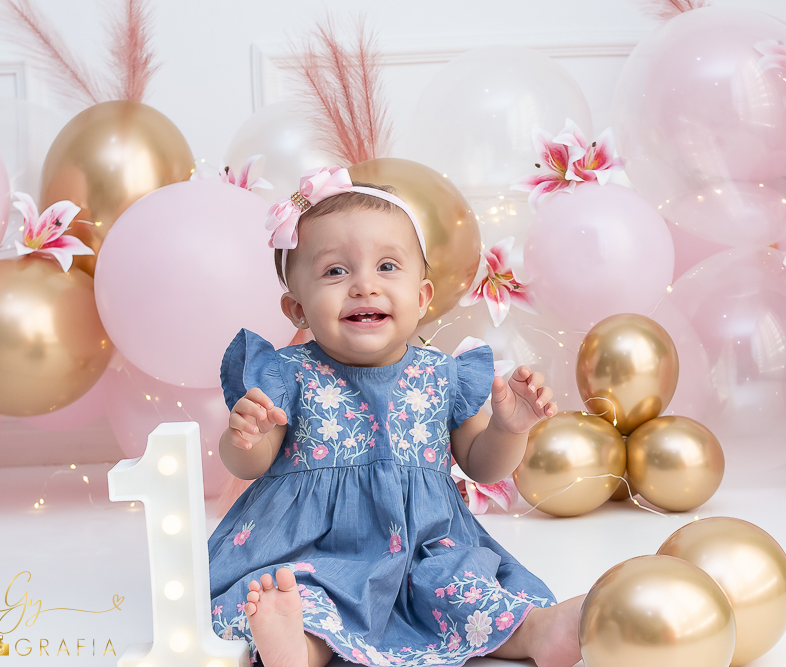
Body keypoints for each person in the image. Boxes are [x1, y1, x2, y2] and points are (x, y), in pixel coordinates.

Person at [207, 166, 583, 667]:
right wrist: (246, 431)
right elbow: (250, 464)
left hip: (426, 549)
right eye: (336, 271)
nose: (364, 285)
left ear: (422, 298)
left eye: (387, 266)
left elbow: (481, 465)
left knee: (463, 586)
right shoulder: (286, 375)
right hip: (319, 549)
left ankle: (537, 631)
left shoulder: (443, 375)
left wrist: (507, 429)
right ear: (296, 309)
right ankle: (298, 645)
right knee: (306, 591)